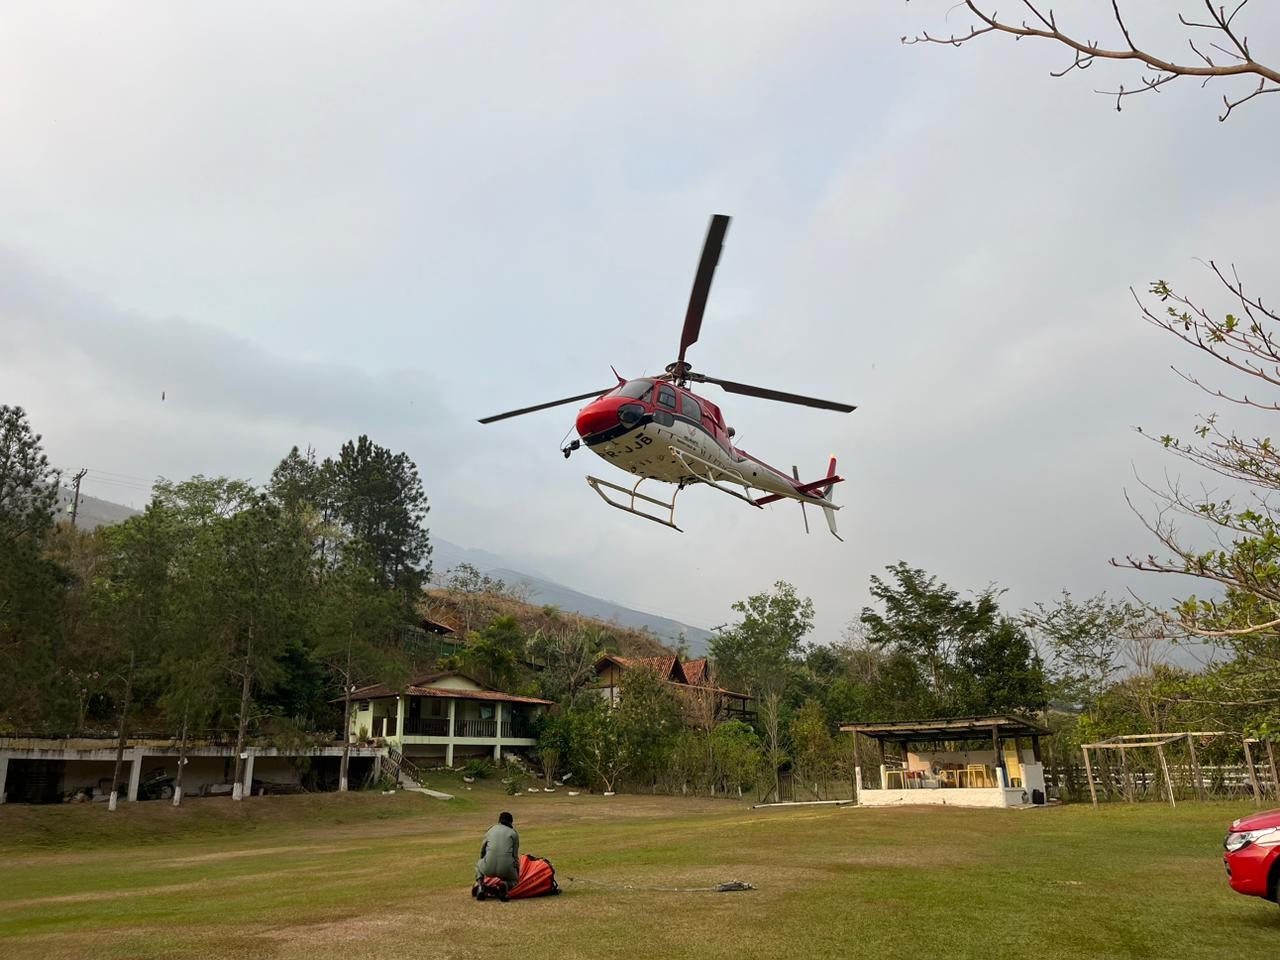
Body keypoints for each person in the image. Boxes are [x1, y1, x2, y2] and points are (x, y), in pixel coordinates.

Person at [475, 811, 520, 885]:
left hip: (488, 867)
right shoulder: (513, 833)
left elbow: (482, 850)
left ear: (499, 821)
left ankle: (480, 885)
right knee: (515, 881)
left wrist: (484, 861)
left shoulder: (490, 830)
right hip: (506, 870)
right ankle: (505, 885)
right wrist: (517, 875)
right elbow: (515, 856)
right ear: (511, 822)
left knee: (478, 865)